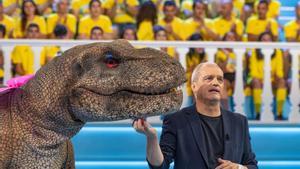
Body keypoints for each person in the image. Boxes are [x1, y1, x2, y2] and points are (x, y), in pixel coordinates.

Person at [133, 62, 258, 169]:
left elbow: (251, 165)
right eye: (209, 78)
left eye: (220, 79)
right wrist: (152, 137)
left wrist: (239, 167)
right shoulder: (176, 120)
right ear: (194, 86)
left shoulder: (239, 122)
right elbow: (159, 165)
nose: (216, 83)